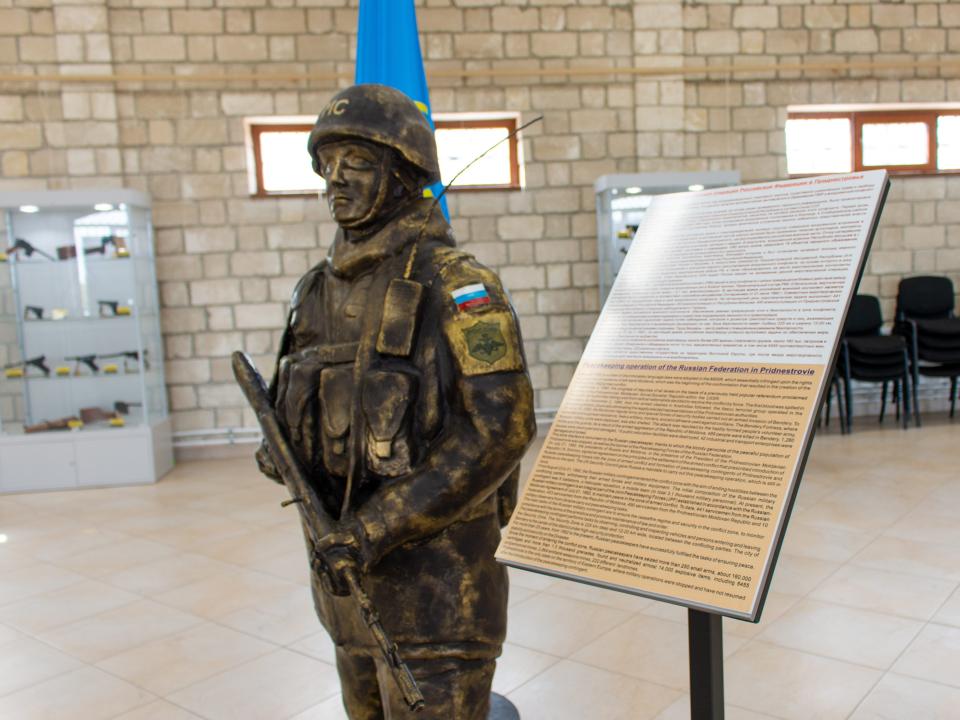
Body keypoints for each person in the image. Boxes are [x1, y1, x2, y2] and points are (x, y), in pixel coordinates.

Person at [256, 83, 536, 720]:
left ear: (405, 174)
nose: (336, 182)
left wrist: (373, 529)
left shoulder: (461, 286)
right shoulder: (314, 292)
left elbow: (501, 428)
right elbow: (295, 402)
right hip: (345, 595)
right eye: (327, 167)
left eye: (356, 164)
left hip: (439, 593)